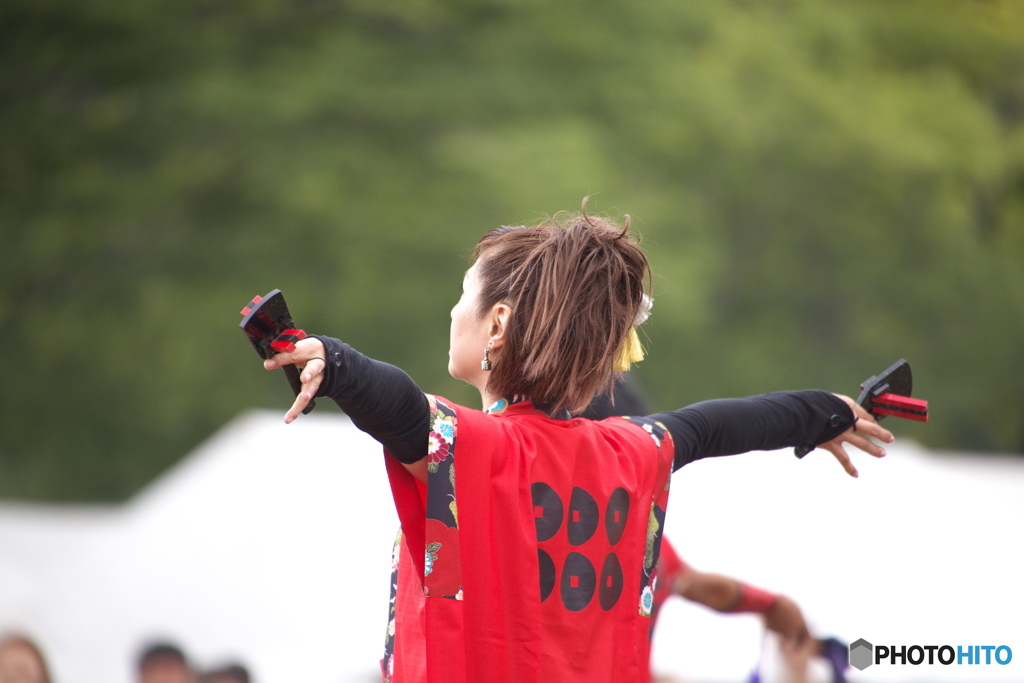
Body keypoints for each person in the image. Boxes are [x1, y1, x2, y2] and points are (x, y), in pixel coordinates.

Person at [257, 202, 893, 683]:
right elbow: (722, 424)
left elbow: (399, 407)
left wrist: (335, 363)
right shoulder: (637, 450)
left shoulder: (472, 446)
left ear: (497, 324)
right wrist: (825, 412)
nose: (452, 313)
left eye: (462, 296)